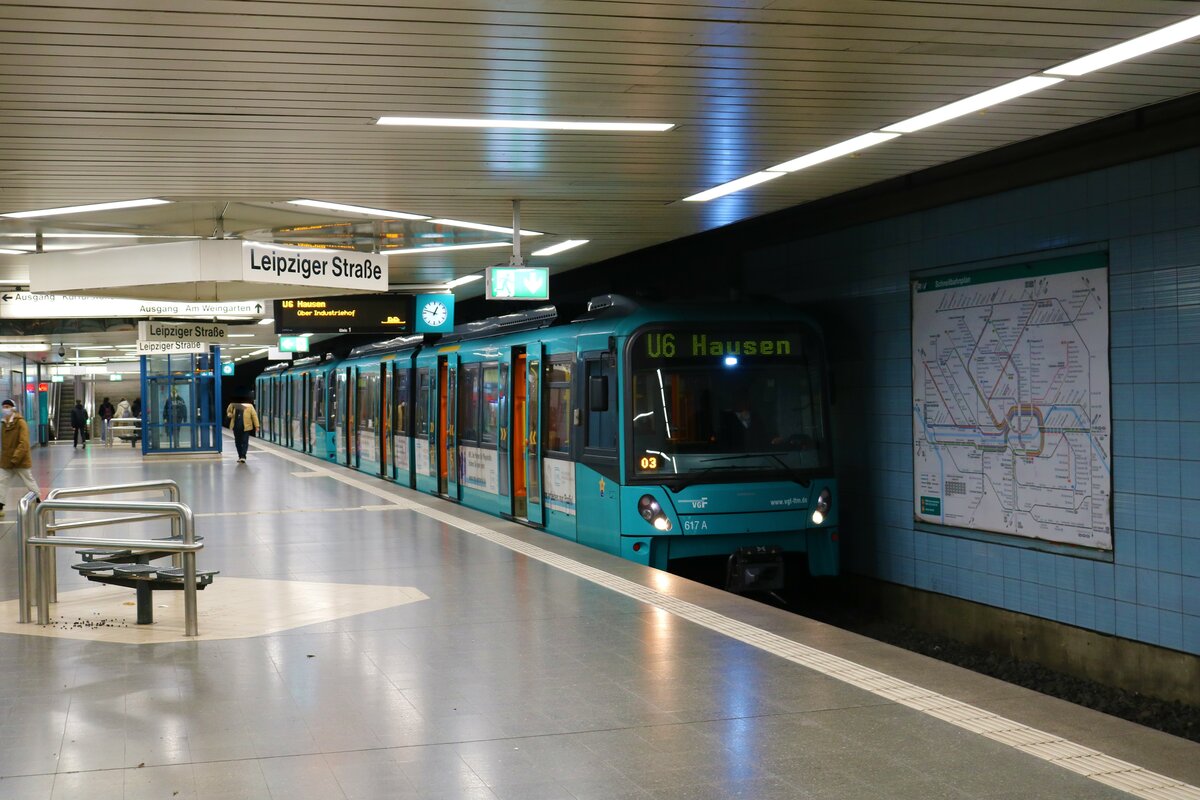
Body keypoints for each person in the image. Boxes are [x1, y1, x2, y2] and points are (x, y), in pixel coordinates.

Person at [0, 399, 40, 517]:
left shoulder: (21, 423)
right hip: (7, 460)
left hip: (20, 460)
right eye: (4, 407)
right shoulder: (3, 423)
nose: (5, 409)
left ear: (13, 408)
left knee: (29, 481)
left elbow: (24, 443)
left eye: (8, 406)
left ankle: (38, 501)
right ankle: (0, 505)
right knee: (2, 482)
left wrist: (15, 458)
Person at [226, 399, 260, 463]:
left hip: (246, 428)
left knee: (245, 441)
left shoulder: (250, 406)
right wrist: (230, 415)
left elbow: (254, 416)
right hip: (236, 427)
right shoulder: (233, 405)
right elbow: (228, 411)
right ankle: (240, 456)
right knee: (237, 442)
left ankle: (243, 456)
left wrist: (257, 426)